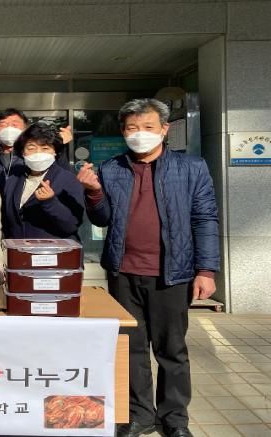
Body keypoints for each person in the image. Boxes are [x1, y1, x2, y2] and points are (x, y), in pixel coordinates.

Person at [77, 98, 220, 437]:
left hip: (173, 273)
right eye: (132, 128)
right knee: (131, 347)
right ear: (123, 131)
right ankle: (139, 415)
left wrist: (206, 270)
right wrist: (94, 192)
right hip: (124, 272)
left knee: (172, 350)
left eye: (148, 127)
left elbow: (205, 219)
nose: (139, 134)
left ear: (164, 129)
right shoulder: (111, 168)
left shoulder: (191, 167)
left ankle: (174, 419)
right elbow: (102, 219)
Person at [2, 123, 84, 241]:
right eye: (31, 148)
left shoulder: (68, 179)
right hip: (19, 249)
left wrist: (50, 202)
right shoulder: (13, 179)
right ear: (23, 152)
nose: (38, 153)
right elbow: (7, 220)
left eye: (45, 148)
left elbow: (71, 225)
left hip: (53, 250)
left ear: (55, 152)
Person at [0, 108, 73, 193]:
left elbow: (65, 177)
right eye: (3, 125)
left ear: (25, 128)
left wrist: (59, 146)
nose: (9, 129)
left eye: (14, 124)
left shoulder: (36, 156)